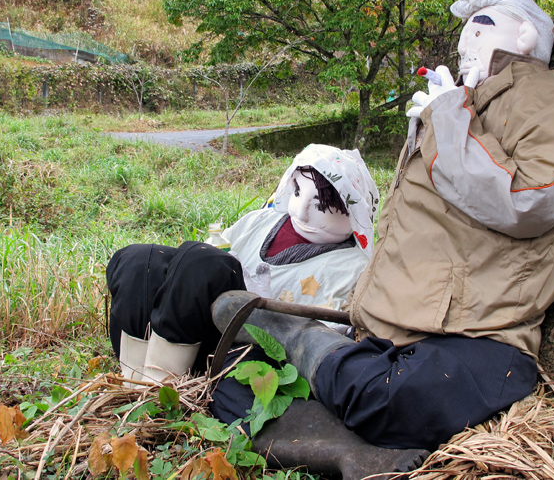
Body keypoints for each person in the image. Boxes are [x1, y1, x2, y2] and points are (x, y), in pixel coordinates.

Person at [212, 0, 554, 468]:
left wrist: (450, 117)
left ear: (525, 35)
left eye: (485, 26)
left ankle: (301, 341)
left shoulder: (546, 98)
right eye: (466, 30)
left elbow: (528, 200)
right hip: (396, 327)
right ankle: (351, 447)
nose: (468, 38)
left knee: (387, 399)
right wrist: (451, 111)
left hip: (480, 337)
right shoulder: (461, 101)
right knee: (231, 382)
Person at [106, 144, 378, 385]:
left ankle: (161, 386)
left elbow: (322, 338)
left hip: (241, 348)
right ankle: (135, 379)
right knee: (141, 261)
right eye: (297, 192)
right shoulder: (260, 220)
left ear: (352, 211)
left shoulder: (354, 268)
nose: (301, 209)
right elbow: (200, 262)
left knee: (204, 262)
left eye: (319, 205)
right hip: (191, 323)